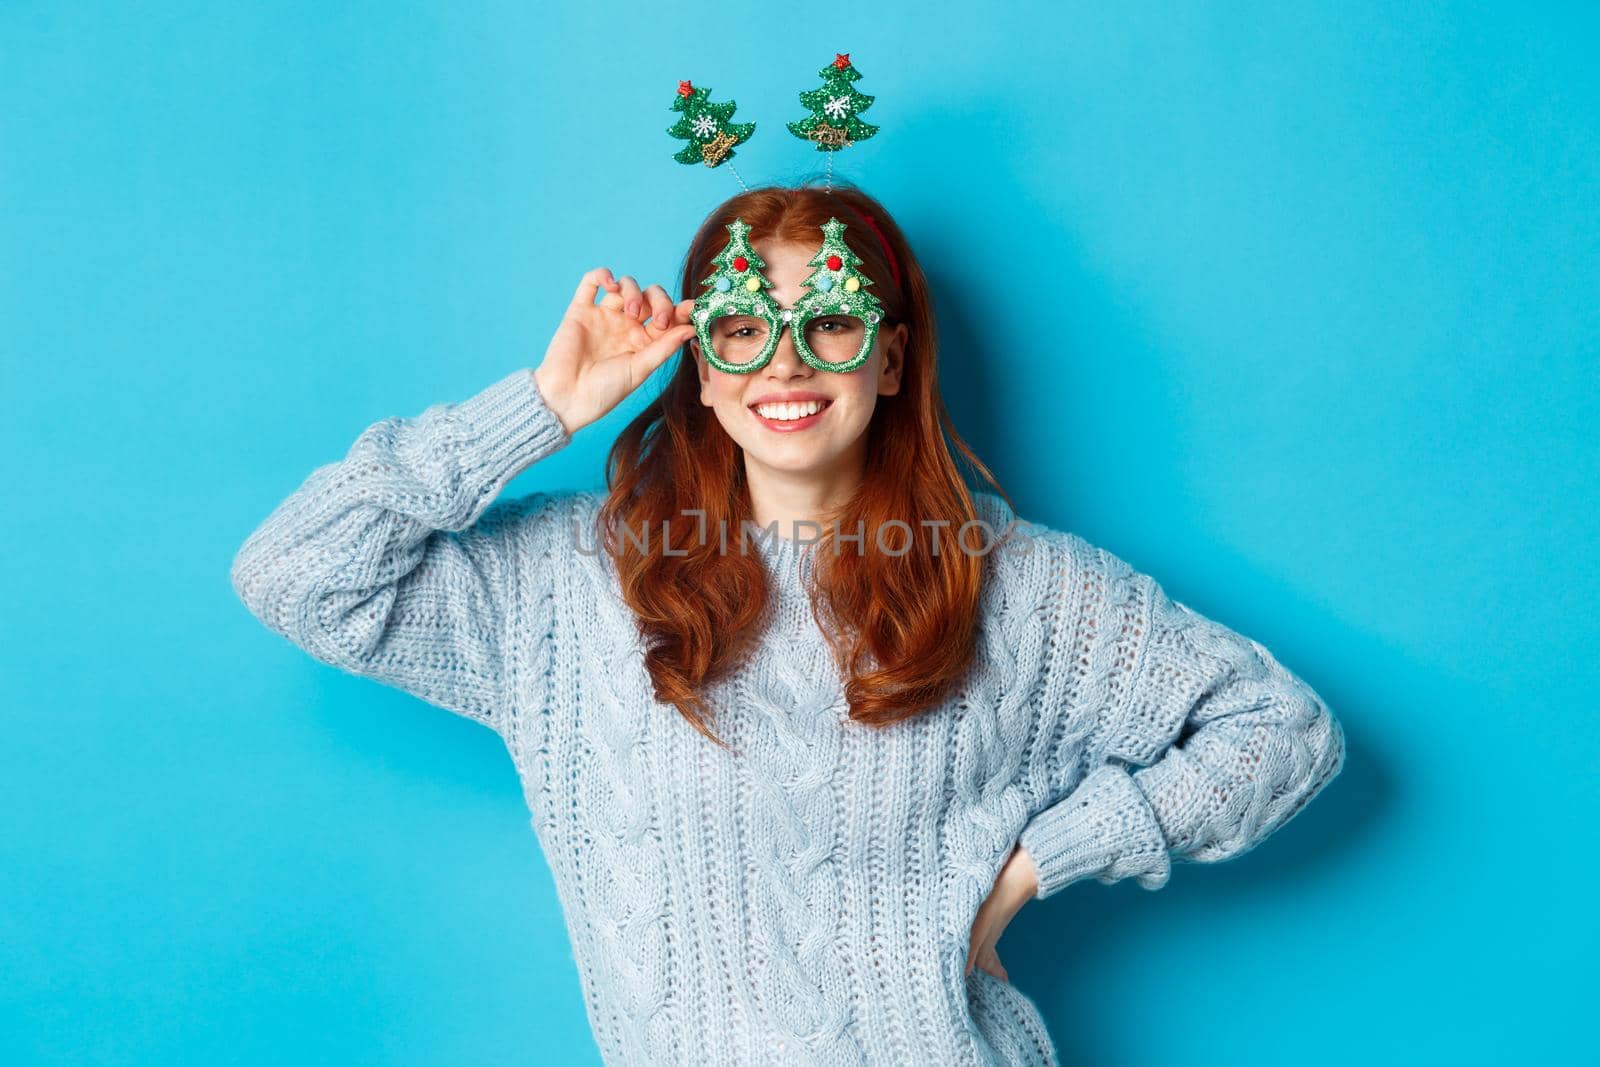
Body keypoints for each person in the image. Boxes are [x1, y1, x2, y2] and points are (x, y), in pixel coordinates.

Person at [230, 180, 1346, 1066]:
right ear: (700, 370)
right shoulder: (568, 585)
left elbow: (1279, 730)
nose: (785, 362)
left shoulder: (1021, 586)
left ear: (894, 356)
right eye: (740, 330)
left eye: (830, 322)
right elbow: (296, 573)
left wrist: (1035, 863)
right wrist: (541, 406)